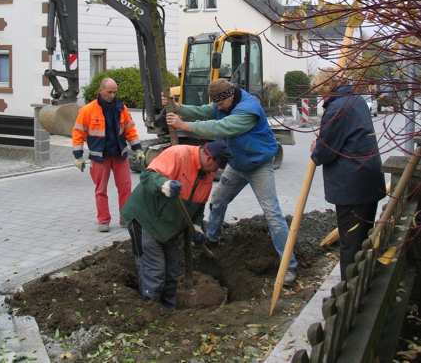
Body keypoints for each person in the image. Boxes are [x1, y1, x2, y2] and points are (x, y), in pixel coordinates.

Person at [162, 78, 298, 284]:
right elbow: (205, 111)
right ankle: (213, 239)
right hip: (236, 164)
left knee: (272, 213)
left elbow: (221, 128)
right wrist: (180, 107)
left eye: (220, 103)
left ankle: (289, 265)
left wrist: (183, 125)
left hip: (258, 164)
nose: (217, 107)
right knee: (217, 200)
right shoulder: (222, 102)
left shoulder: (248, 108)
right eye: (215, 103)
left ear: (231, 96)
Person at [120, 140, 233, 309]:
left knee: (172, 273)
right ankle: (151, 313)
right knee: (154, 272)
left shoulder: (207, 177)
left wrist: (196, 228)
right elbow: (148, 176)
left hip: (168, 230)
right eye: (216, 167)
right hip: (145, 220)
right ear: (209, 158)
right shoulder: (178, 154)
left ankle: (168, 313)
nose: (215, 172)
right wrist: (164, 185)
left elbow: (198, 208)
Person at [309, 68, 386, 282]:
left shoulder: (337, 107)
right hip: (367, 179)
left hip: (351, 185)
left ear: (326, 87)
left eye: (320, 91)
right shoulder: (356, 99)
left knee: (350, 243)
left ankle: (348, 294)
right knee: (362, 239)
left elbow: (325, 151)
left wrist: (317, 147)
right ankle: (361, 284)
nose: (320, 96)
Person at [72, 77, 145, 232]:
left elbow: (130, 130)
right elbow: (78, 132)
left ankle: (125, 217)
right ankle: (103, 220)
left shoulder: (121, 109)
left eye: (114, 92)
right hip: (100, 157)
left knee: (125, 187)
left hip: (120, 155)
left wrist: (137, 148)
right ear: (100, 91)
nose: (112, 95)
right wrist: (78, 155)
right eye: (109, 92)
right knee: (101, 190)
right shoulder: (87, 111)